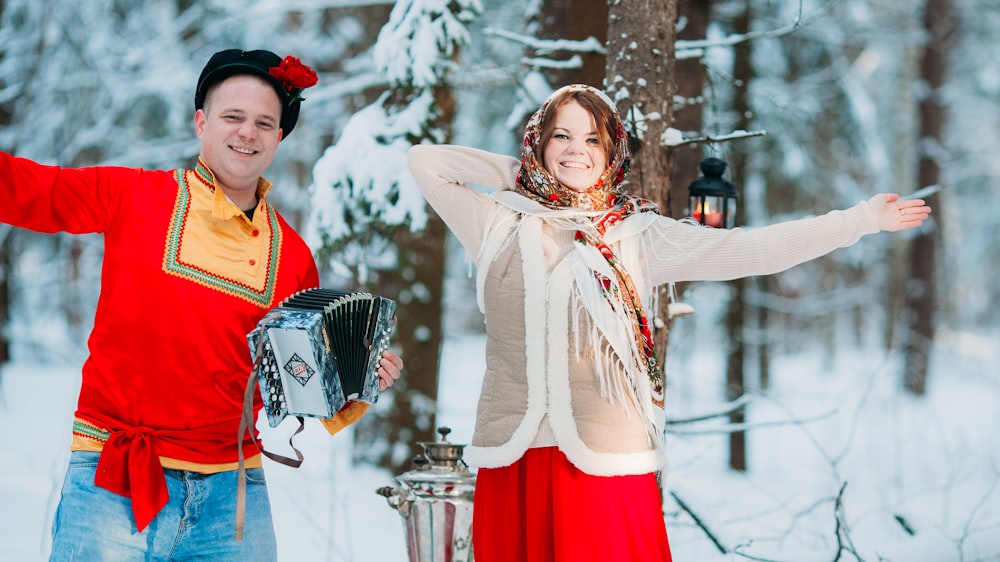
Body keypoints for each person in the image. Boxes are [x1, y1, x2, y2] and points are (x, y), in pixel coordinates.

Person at [406, 83, 931, 562]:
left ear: (613, 151)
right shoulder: (496, 223)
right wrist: (524, 176)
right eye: (560, 136)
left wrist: (860, 221)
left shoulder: (638, 234)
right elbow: (425, 161)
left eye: (592, 140)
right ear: (537, 143)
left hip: (602, 461)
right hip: (512, 454)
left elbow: (752, 250)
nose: (575, 150)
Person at [0, 49, 403, 560]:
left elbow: (300, 378)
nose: (247, 133)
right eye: (233, 117)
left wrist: (363, 375)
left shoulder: (294, 256)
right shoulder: (132, 195)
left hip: (233, 495)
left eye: (264, 123)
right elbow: (33, 190)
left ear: (279, 137)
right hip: (115, 476)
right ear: (201, 122)